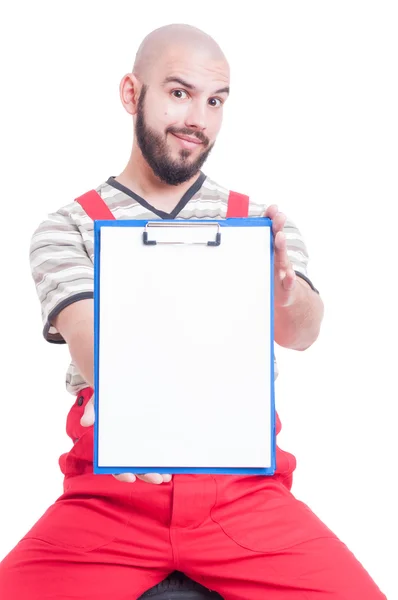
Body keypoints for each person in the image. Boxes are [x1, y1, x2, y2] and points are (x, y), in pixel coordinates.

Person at [0, 23, 386, 600]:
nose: (198, 119)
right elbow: (88, 336)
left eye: (215, 101)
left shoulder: (260, 222)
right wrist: (130, 401)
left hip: (244, 499)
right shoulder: (68, 227)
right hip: (111, 502)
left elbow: (302, 333)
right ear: (133, 94)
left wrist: (287, 294)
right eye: (180, 93)